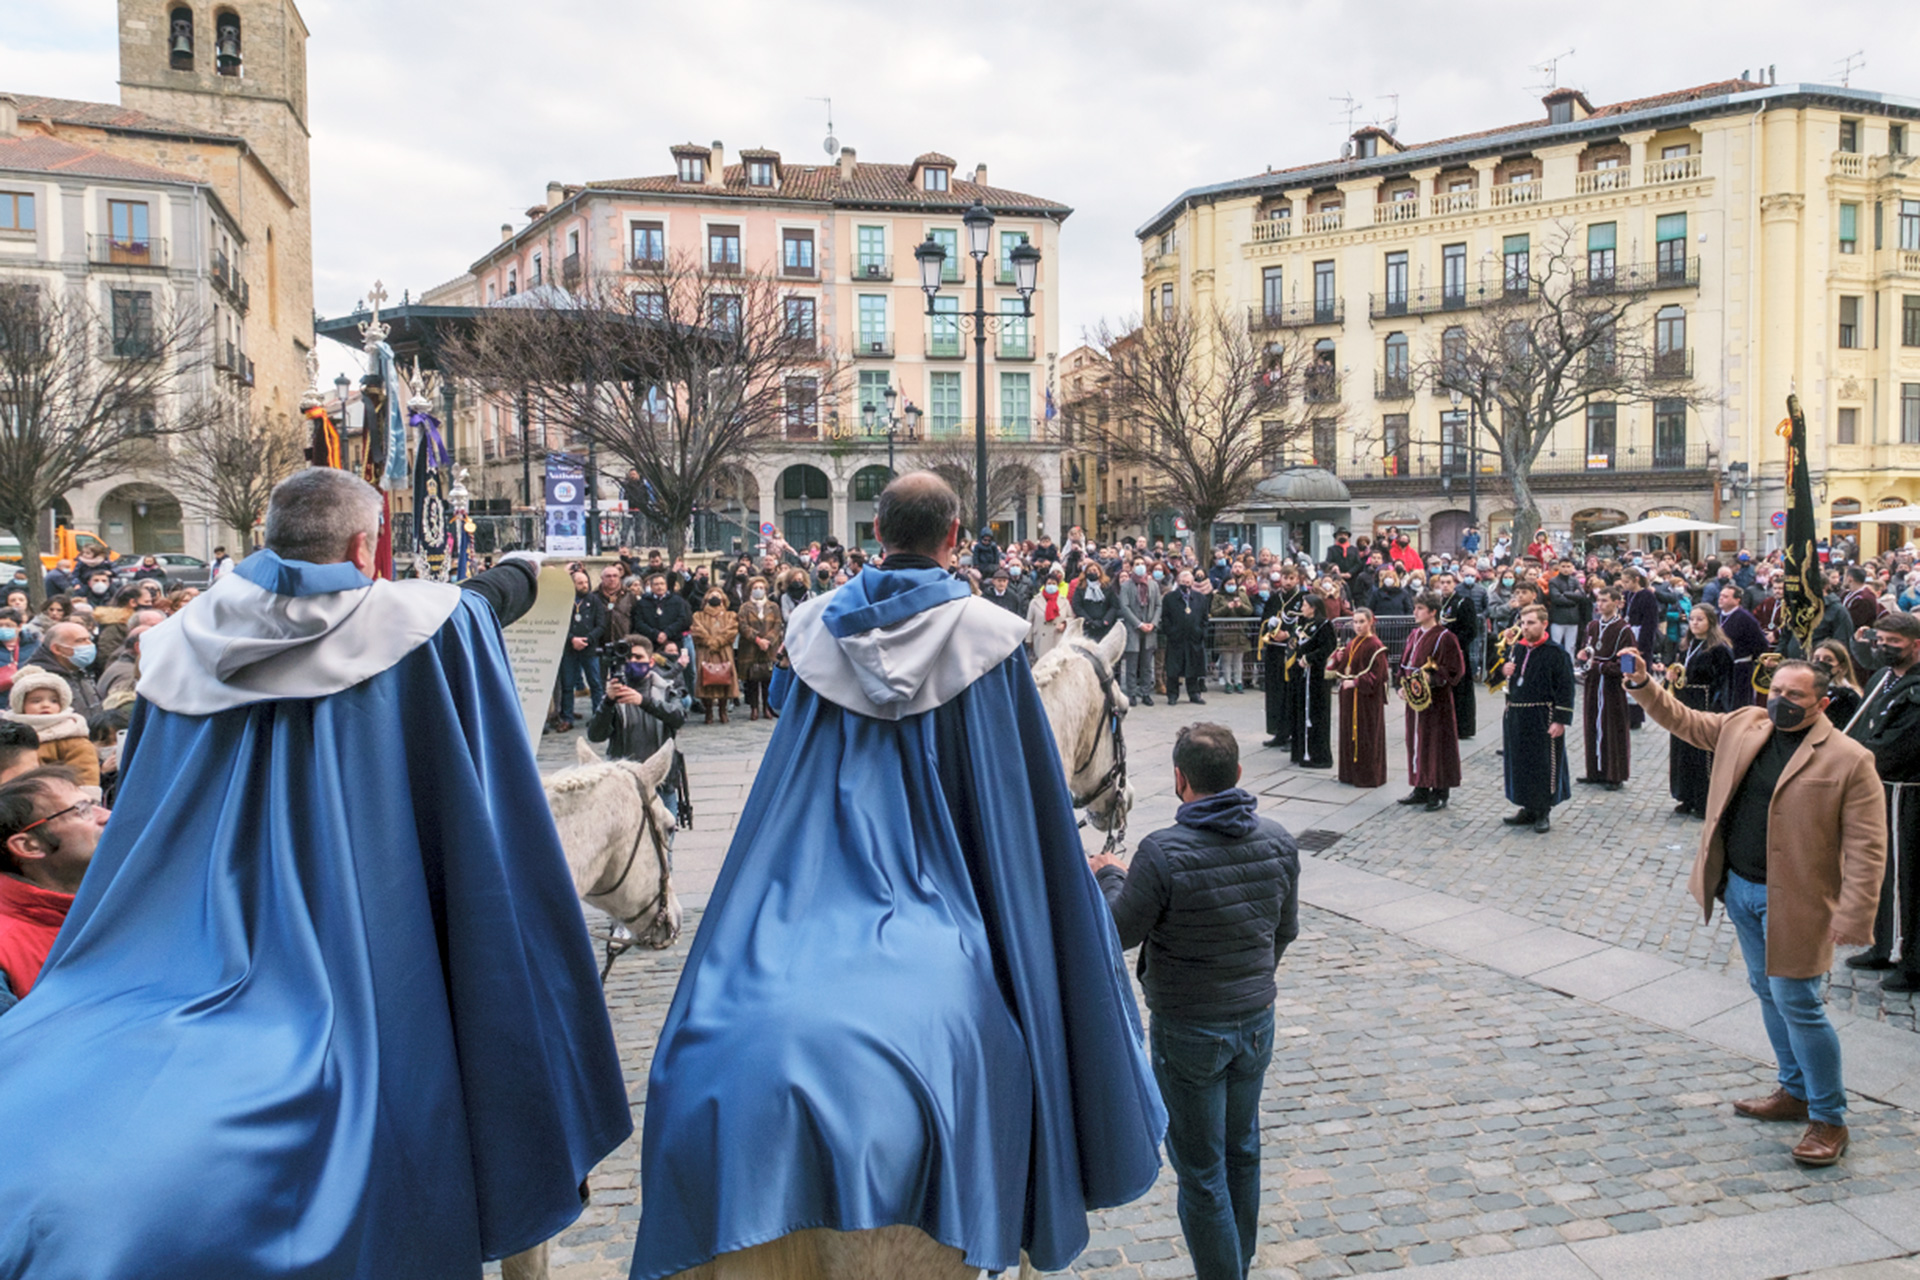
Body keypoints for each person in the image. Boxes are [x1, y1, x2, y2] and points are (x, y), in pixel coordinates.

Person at [0, 468, 628, 1272]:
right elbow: (474, 610)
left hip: (187, 931)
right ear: (365, 547)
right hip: (361, 926)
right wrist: (521, 572)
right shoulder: (422, 627)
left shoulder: (177, 645)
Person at [630, 473, 1164, 1278]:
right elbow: (1010, 809)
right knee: (1026, 1005)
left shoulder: (817, 631)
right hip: (933, 885)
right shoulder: (990, 639)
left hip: (816, 876)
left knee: (700, 1018)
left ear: (876, 532)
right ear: (954, 538)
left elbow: (789, 777)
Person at [1623, 656, 1884, 1167]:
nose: (1780, 701)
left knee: (1799, 1003)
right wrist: (1642, 683)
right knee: (1766, 991)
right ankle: (1794, 1090)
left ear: (1821, 703)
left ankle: (1829, 1118)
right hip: (1739, 888)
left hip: (1800, 902)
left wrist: (1854, 915)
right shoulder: (1746, 723)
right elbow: (1685, 721)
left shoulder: (1850, 759)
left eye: (1795, 696)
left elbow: (1868, 846)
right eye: (1776, 690)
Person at [1089, 724, 1298, 1280]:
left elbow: (1118, 931)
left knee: (1201, 1169)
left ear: (1179, 779)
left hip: (1189, 1030)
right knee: (1242, 1149)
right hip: (1256, 1022)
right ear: (1238, 774)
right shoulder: (1278, 840)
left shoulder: (1162, 852)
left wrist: (1110, 877)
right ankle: (1237, 1261)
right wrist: (1253, 980)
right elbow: (1285, 930)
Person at [1842, 612, 1920, 988]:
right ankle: (1883, 943)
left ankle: (1912, 960)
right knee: (1879, 871)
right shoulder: (1883, 679)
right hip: (1879, 789)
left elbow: (1896, 747)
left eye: (1894, 642)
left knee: (1907, 877)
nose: (1884, 648)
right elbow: (1863, 724)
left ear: (1916, 645)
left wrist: (1848, 761)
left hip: (1907, 794)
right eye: (1881, 641)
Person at [0, 769, 105, 1014]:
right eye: (82, 810)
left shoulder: (133, 900)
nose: (108, 815)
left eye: (95, 804)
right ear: (28, 846)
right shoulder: (5, 948)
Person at [589, 636, 689, 818]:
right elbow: (596, 735)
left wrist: (644, 702)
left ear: (651, 662)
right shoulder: (615, 694)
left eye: (638, 657)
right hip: (624, 783)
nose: (632, 661)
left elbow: (678, 718)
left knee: (664, 834)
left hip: (661, 782)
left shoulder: (665, 689)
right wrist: (608, 702)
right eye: (628, 657)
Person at [1500, 605, 1574, 834]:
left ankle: (1542, 810)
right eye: (1523, 623)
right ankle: (1527, 807)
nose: (1525, 627)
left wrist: (1560, 720)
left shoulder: (1556, 653)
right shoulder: (1517, 649)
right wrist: (1504, 670)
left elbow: (1566, 689)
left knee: (1543, 764)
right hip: (1517, 715)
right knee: (1520, 763)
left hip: (1543, 716)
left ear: (1544, 624)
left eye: (1531, 623)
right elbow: (1503, 679)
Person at [1665, 605, 1736, 818]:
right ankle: (1686, 796)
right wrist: (1672, 676)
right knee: (1683, 750)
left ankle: (1704, 800)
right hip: (1684, 702)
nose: (1695, 623)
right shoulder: (1687, 645)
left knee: (1702, 754)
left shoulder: (1719, 649)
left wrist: (1716, 710)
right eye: (1692, 619)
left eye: (1700, 619)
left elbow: (1725, 683)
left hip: (1705, 703)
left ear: (1710, 622)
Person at [1397, 591, 1466, 811]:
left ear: (1433, 611)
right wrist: (1401, 685)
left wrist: (1433, 678)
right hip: (1414, 700)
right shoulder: (1414, 634)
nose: (1415, 612)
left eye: (1420, 608)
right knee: (1416, 742)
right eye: (1415, 608)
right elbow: (1405, 663)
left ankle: (1439, 790)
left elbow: (1455, 669)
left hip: (1437, 703)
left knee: (1437, 744)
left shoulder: (1445, 637)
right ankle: (1420, 785)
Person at [3, 669, 99, 788]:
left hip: (59, 795)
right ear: (21, 705)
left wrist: (85, 795)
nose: (45, 705)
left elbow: (86, 771)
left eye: (54, 701)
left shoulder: (69, 734)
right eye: (36, 701)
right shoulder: (9, 733)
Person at [1579, 587, 1633, 791]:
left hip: (1612, 686)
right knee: (1592, 723)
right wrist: (1583, 658)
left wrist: (1602, 667)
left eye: (1605, 601)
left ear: (1617, 603)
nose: (1600, 604)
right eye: (1598, 600)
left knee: (1613, 726)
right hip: (1593, 683)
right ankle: (1594, 771)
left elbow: (1628, 665)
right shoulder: (1592, 626)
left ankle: (1615, 774)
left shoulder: (1624, 630)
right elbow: (1585, 651)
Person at [1332, 608, 1389, 788]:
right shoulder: (1353, 642)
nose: (1358, 626)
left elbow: (1378, 675)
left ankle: (1366, 776)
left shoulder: (1375, 645)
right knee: (1349, 733)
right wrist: (1338, 658)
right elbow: (1343, 668)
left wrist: (1356, 682)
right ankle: (1349, 773)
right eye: (1355, 622)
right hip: (1349, 698)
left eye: (1362, 622)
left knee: (1365, 734)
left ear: (1370, 622)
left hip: (1366, 700)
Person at [22, 621, 106, 736]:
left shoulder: (79, 670)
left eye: (89, 639)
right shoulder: (37, 679)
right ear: (57, 649)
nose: (89, 645)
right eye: (80, 641)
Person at [552, 568, 608, 733]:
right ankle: (567, 718)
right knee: (567, 685)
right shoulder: (563, 601)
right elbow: (559, 624)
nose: (584, 585)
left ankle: (598, 717)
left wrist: (587, 639)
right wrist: (572, 639)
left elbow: (601, 625)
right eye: (580, 583)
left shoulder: (594, 600)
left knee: (595, 684)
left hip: (589, 648)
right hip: (569, 648)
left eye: (586, 582)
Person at [1290, 594, 1336, 769]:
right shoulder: (1303, 623)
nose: (1302, 608)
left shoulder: (1324, 625)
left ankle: (1318, 755)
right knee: (1300, 712)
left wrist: (1310, 658)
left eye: (1304, 605)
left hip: (1316, 677)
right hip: (1302, 675)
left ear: (1313, 607)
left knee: (1316, 715)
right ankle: (1301, 751)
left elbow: (1328, 647)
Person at [1434, 572, 1479, 740]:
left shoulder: (1463, 602)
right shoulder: (1438, 603)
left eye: (1448, 582)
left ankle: (1462, 727)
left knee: (1460, 689)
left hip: (1458, 652)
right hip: (1440, 654)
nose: (1445, 585)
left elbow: (1471, 630)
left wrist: (1454, 644)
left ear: (1454, 584)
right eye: (1442, 582)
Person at [734, 575, 784, 720]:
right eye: (755, 588)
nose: (758, 590)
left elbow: (777, 625)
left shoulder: (773, 607)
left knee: (768, 680)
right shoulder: (745, 607)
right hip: (750, 647)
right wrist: (757, 639)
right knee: (752, 680)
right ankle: (754, 708)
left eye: (761, 588)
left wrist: (768, 640)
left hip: (769, 648)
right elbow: (743, 626)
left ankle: (767, 707)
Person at [689, 588, 740, 724]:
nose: (715, 597)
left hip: (724, 651)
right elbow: (697, 631)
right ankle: (708, 711)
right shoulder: (698, 615)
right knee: (706, 680)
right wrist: (709, 642)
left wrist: (717, 642)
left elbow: (731, 631)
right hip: (705, 651)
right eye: (712, 595)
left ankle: (723, 710)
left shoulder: (730, 615)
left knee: (725, 679)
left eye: (718, 595)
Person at [1161, 570, 1208, 706]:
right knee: (1173, 670)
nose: (1185, 585)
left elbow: (1205, 618)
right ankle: (1172, 695)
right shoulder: (1169, 598)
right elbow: (1165, 618)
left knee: (1193, 668)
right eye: (1183, 582)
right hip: (1176, 639)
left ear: (1192, 583)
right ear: (1178, 582)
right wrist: (1171, 632)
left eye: (1188, 582)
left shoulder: (1200, 598)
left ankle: (1194, 694)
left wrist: (1201, 632)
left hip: (1194, 639)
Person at [1719, 583, 1769, 707]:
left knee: (1739, 703)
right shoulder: (1716, 616)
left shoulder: (1745, 618)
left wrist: (1750, 656)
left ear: (1737, 600)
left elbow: (1761, 643)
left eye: (1725, 596)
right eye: (1721, 595)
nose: (1721, 598)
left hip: (1740, 667)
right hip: (1721, 667)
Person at [1119, 562, 1162, 706]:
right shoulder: (1126, 586)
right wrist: (1138, 624)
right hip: (1133, 629)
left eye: (1142, 564)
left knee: (1147, 665)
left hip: (1149, 629)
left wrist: (1153, 623)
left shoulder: (1153, 585)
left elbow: (1158, 605)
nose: (1140, 566)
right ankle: (1131, 693)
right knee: (1131, 664)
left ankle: (1145, 693)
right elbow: (1124, 607)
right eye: (1137, 564)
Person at [1209, 576, 1255, 694]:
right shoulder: (1218, 596)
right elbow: (1214, 612)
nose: (1231, 586)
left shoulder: (1242, 595)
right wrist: (1227, 607)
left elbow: (1249, 610)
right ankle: (1228, 682)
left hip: (1240, 632)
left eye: (1233, 583)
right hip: (1224, 632)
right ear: (1224, 584)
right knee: (1226, 659)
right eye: (1228, 584)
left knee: (1238, 660)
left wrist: (1240, 606)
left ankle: (1238, 682)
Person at [1812, 638, 1864, 728]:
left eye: (1828, 660)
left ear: (1841, 666)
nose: (1820, 663)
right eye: (1817, 659)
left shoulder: (1848, 696)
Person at [1026, 574, 1074, 661]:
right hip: (1041, 639)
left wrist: (1064, 624)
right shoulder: (1035, 601)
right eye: (1049, 583)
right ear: (1044, 585)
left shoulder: (1064, 601)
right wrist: (1029, 639)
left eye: (1054, 583)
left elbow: (1071, 617)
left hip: (1058, 638)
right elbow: (1030, 620)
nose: (1051, 586)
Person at [1547, 561, 1590, 656]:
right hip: (1558, 619)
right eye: (1563, 566)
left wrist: (1566, 594)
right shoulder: (1553, 581)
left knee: (1571, 647)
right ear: (1559, 567)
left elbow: (1582, 595)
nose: (1566, 569)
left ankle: (1570, 664)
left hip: (1573, 619)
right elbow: (1556, 598)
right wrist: (1574, 599)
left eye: (1568, 566)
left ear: (1572, 567)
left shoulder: (1575, 581)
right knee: (1556, 645)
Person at [1071, 563, 1120, 642]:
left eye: (1094, 570)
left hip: (1105, 625)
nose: (1092, 572)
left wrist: (1106, 620)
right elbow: (1077, 605)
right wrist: (1088, 620)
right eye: (1089, 571)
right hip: (1087, 625)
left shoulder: (1107, 587)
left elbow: (1114, 605)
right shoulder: (1080, 588)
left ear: (1099, 572)